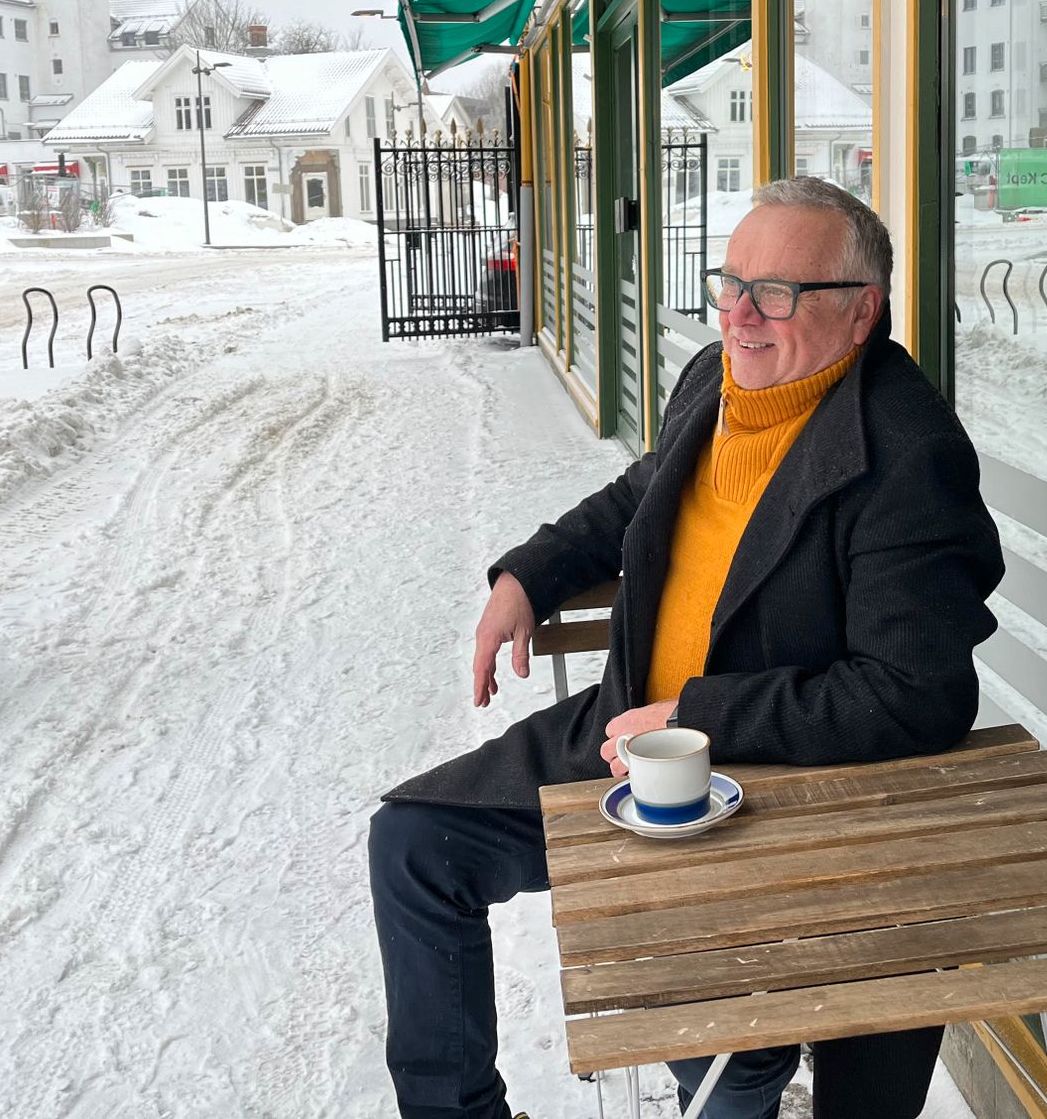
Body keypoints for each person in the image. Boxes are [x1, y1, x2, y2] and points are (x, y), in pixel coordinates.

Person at [369, 177, 1004, 1119]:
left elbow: (914, 692)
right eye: (731, 282)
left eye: (779, 292)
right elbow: (643, 493)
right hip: (635, 728)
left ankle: (738, 1077)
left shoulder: (909, 454)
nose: (742, 313)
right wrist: (530, 576)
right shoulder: (715, 378)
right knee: (417, 844)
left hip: (769, 777)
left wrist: (700, 714)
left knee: (723, 1044)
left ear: (861, 312)